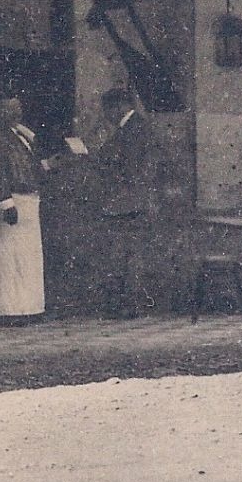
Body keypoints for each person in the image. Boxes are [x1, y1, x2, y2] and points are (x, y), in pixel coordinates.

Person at [88, 87, 160, 318]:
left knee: (123, 255)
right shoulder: (134, 127)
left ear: (118, 106)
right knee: (128, 255)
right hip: (132, 202)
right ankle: (127, 305)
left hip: (126, 203)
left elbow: (129, 168)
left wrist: (99, 160)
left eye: (107, 110)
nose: (106, 115)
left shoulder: (132, 130)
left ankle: (127, 306)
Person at [0, 92, 49, 321]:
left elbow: (28, 168)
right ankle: (6, 310)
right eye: (10, 109)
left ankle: (27, 308)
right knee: (9, 257)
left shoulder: (21, 136)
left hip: (28, 201)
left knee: (26, 258)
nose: (17, 113)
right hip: (14, 201)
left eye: (18, 108)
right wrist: (6, 203)